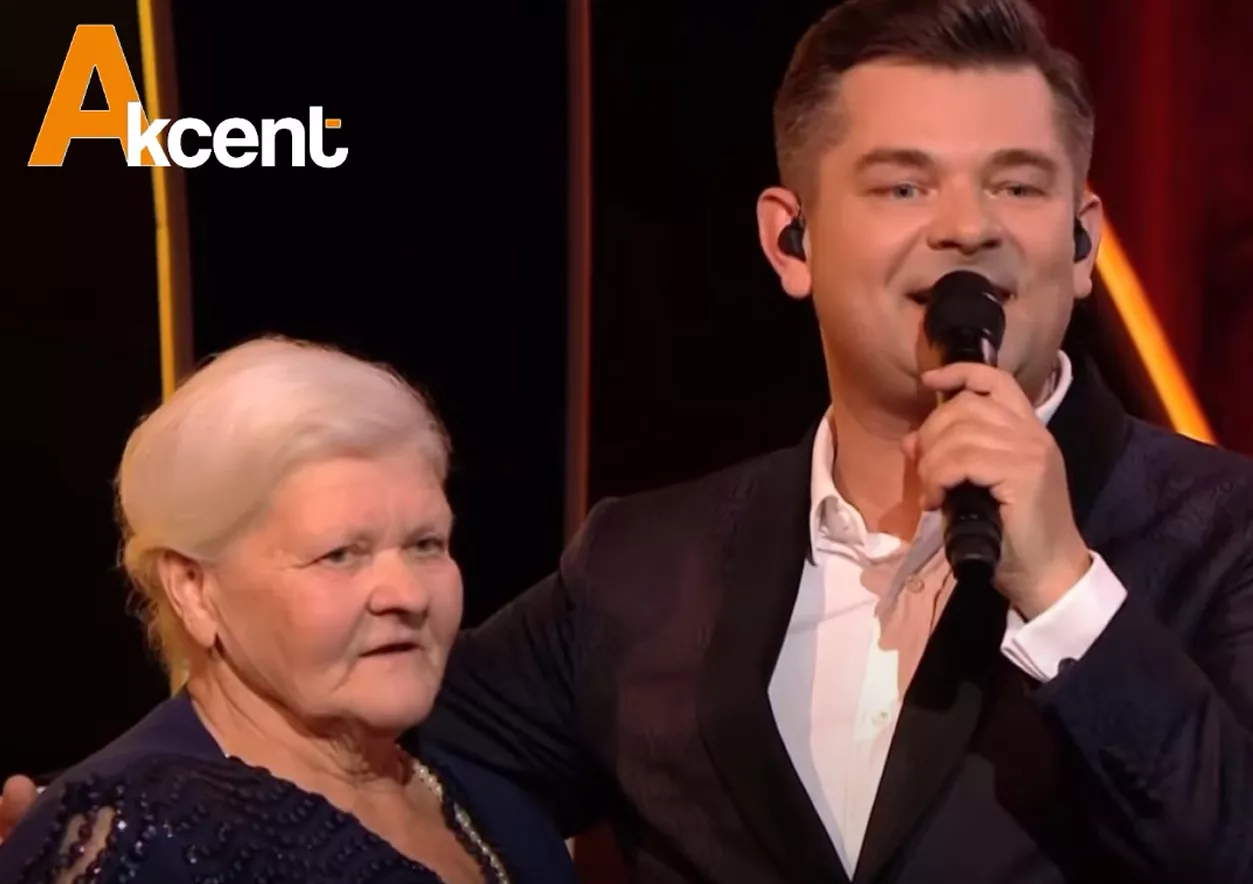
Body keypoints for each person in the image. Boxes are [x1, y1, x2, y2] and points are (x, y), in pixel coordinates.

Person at [6, 0, 1253, 881]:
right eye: (901, 185)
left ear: (1081, 242)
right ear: (788, 241)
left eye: (1017, 184)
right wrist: (101, 815)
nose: (966, 226)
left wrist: (1063, 588)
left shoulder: (1221, 534)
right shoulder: (647, 565)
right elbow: (352, 718)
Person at [0, 337, 576, 883]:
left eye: (426, 544)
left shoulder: (489, 783)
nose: (408, 594)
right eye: (340, 554)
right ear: (193, 589)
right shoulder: (134, 841)